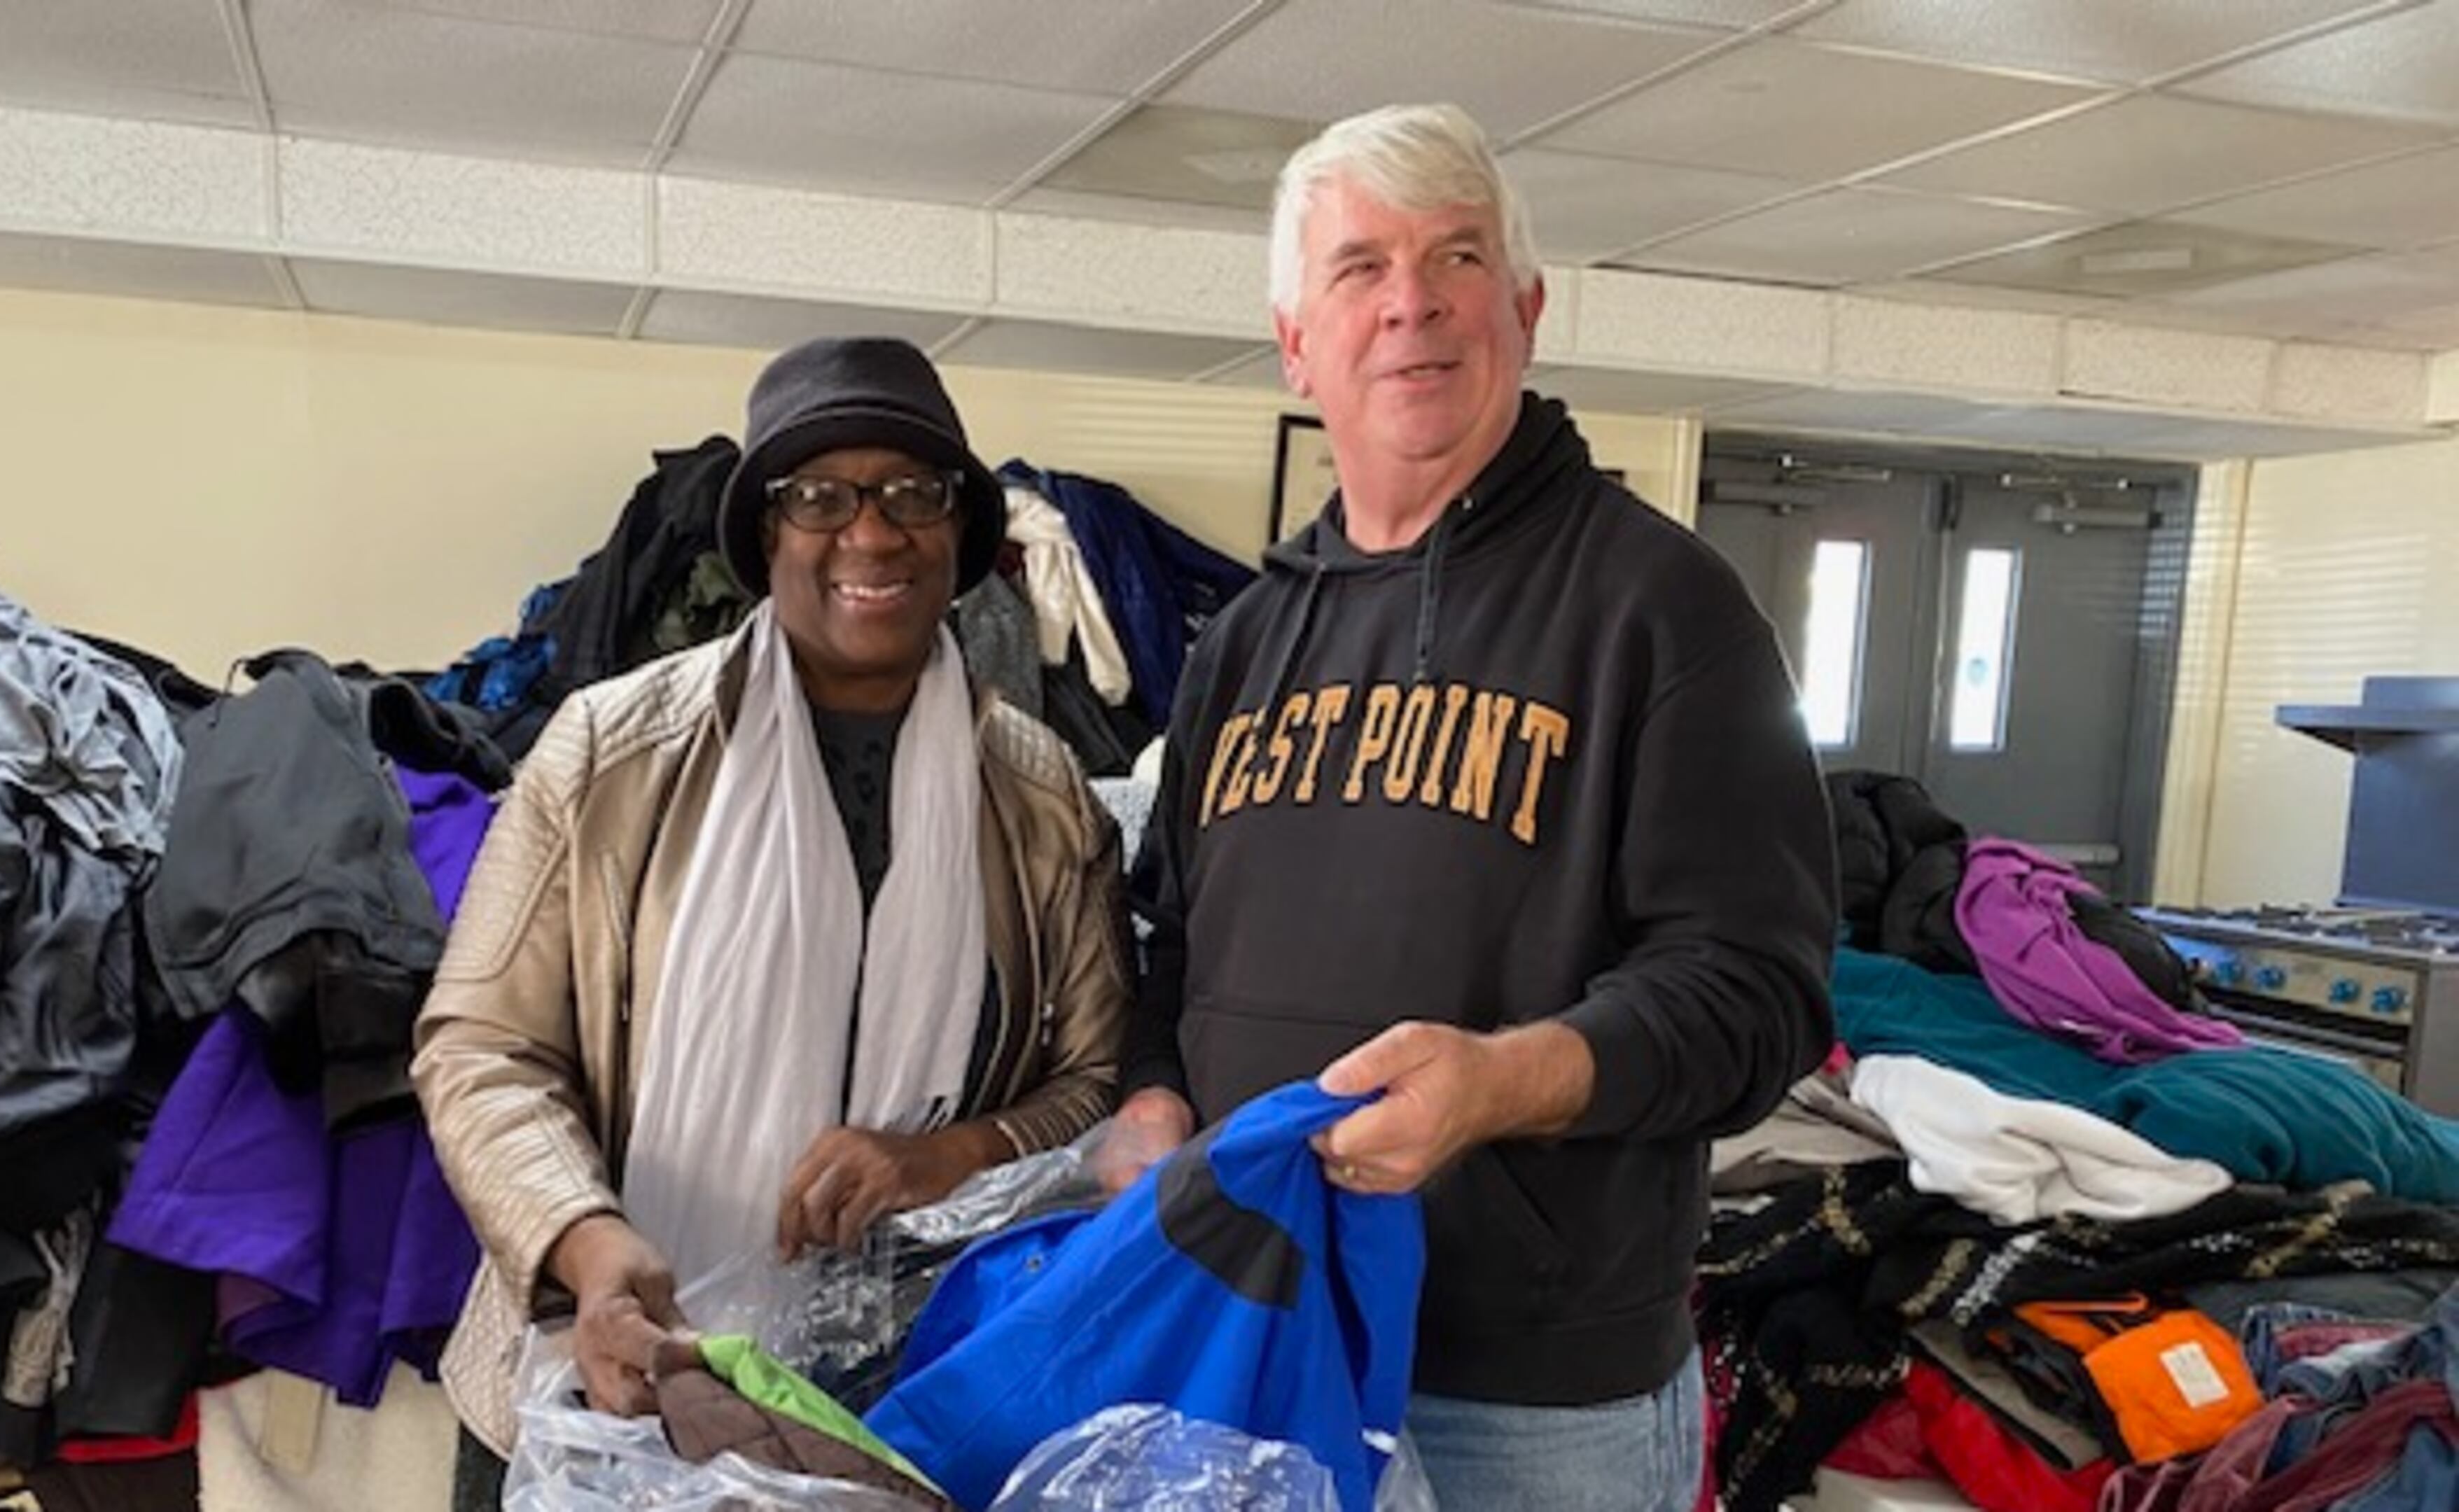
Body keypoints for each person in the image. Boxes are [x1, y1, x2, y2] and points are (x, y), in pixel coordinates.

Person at [1103, 104, 1836, 1511]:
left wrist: (1501, 1084)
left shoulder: (1663, 608)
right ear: (1296, 340)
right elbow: (1172, 942)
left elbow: (1757, 994)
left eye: (1457, 257)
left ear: (1527, 307)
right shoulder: (1246, 640)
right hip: (1260, 1327)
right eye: (1360, 267)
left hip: (1530, 1396)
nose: (1413, 305)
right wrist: (1150, 1095)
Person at [415, 336, 1131, 1500]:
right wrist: (589, 1248)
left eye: (913, 493)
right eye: (819, 497)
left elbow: (1094, 1083)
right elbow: (482, 1046)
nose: (871, 531)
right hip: (601, 1377)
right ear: (765, 536)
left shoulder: (1043, 796)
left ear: (960, 534)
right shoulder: (610, 752)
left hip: (876, 1409)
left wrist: (942, 1156)